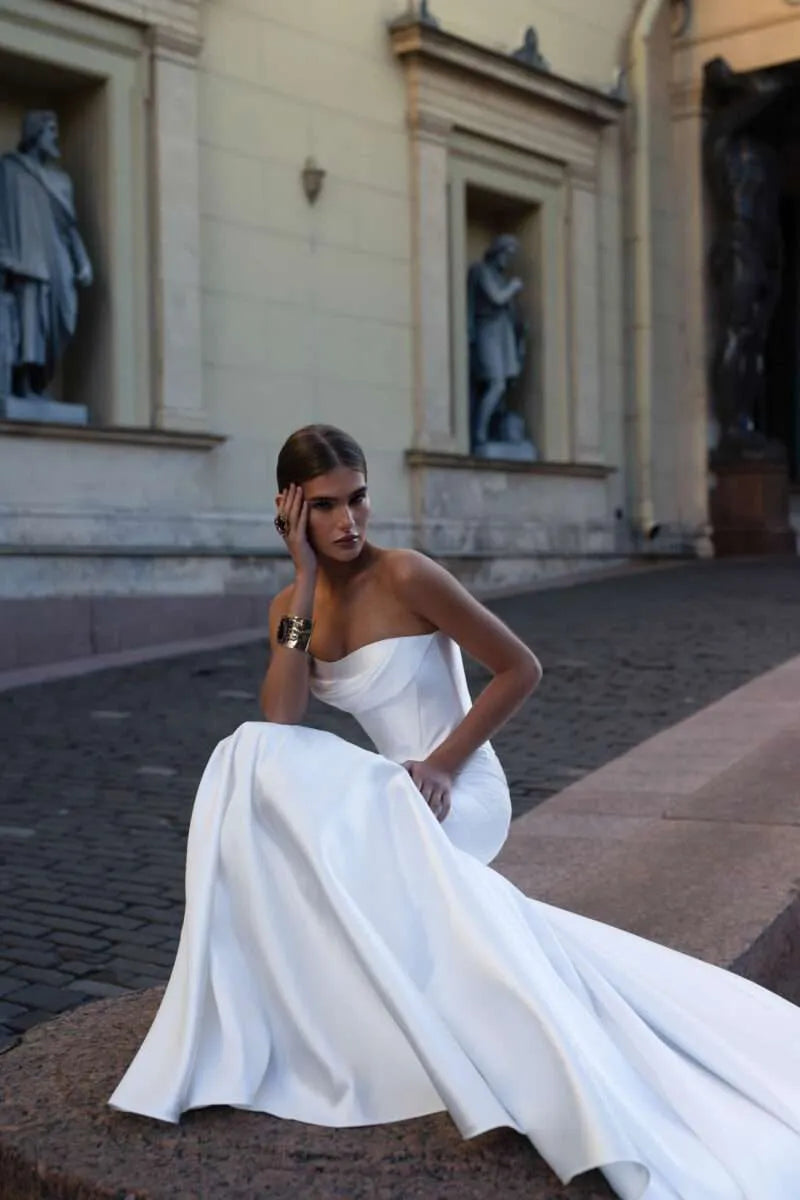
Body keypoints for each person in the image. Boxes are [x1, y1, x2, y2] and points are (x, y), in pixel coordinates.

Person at [111, 425, 800, 1199]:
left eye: (359, 499)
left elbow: (520, 668)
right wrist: (301, 583)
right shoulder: (291, 605)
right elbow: (282, 714)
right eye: (327, 508)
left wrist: (443, 764)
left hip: (458, 787)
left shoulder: (407, 576)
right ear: (293, 513)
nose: (348, 523)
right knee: (248, 750)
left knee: (266, 761)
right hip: (395, 788)